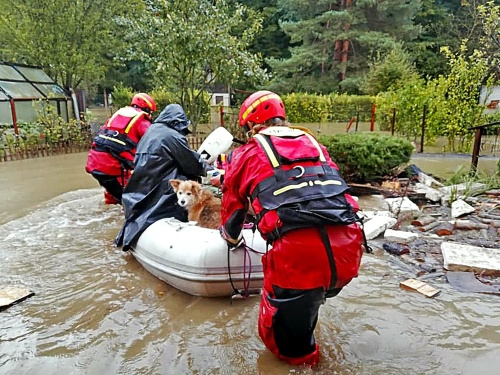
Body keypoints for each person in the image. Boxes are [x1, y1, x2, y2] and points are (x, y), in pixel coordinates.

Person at [219, 90, 364, 366]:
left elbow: (232, 213)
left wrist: (231, 237)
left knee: (284, 346)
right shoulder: (314, 145)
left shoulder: (246, 153)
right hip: (348, 249)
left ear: (251, 125)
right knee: (306, 306)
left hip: (300, 255)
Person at [115, 103, 208, 251]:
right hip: (161, 193)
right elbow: (192, 164)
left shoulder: (150, 132)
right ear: (177, 123)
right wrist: (206, 167)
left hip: (139, 193)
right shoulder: (172, 136)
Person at [85, 93, 157, 204]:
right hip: (114, 168)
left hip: (95, 164)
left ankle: (109, 211)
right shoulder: (142, 121)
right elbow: (154, 141)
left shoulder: (117, 115)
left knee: (113, 194)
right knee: (133, 200)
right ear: (147, 109)